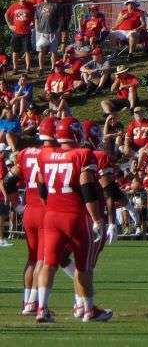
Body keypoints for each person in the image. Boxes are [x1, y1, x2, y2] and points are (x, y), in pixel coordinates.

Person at [35, 117, 110, 322]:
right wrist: (97, 219)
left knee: (48, 264)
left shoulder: (45, 154)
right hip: (75, 216)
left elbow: (41, 187)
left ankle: (42, 308)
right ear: (77, 133)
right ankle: (88, 310)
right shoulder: (83, 154)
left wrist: (49, 207)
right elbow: (86, 188)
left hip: (51, 216)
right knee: (83, 266)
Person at [11, 118, 54, 315]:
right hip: (45, 210)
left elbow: (8, 182)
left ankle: (26, 300)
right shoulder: (50, 154)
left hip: (29, 210)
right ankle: (33, 303)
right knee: (42, 260)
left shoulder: (23, 154)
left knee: (31, 259)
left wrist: (16, 205)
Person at [5, 0, 34, 74]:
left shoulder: (30, 6)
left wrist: (33, 23)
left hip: (26, 32)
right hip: (16, 32)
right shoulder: (14, 6)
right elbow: (6, 15)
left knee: (27, 51)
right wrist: (10, 25)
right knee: (15, 51)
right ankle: (15, 68)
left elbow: (35, 16)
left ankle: (28, 68)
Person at [34, 0, 62, 74]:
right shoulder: (39, 6)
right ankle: (41, 69)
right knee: (41, 51)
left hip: (53, 31)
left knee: (53, 51)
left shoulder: (56, 5)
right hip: (41, 32)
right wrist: (36, 29)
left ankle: (53, 68)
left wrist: (59, 29)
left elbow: (61, 18)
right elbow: (36, 18)